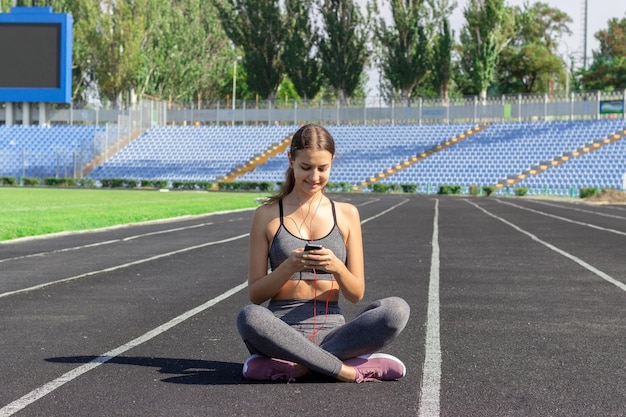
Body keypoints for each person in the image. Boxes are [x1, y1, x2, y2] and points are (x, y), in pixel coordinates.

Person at [236, 124, 410, 383]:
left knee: (396, 309)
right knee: (249, 317)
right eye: (305, 167)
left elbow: (356, 294)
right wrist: (288, 267)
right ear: (291, 161)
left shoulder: (347, 214)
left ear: (332, 163)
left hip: (335, 333)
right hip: (280, 332)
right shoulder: (267, 215)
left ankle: (300, 367)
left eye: (322, 168)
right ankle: (347, 370)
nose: (314, 176)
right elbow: (256, 294)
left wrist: (337, 267)